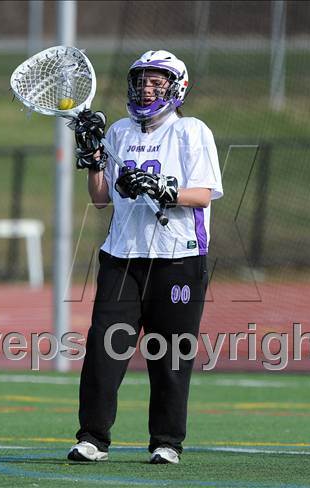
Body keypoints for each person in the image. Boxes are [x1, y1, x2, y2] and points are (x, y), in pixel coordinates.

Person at [67, 50, 223, 465]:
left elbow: (203, 195)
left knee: (170, 355)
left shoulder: (190, 131)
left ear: (177, 87)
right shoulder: (119, 131)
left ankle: (166, 442)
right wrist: (93, 161)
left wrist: (161, 188)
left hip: (177, 259)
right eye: (142, 81)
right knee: (104, 350)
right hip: (122, 257)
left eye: (157, 82)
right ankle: (93, 438)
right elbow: (101, 199)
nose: (147, 88)